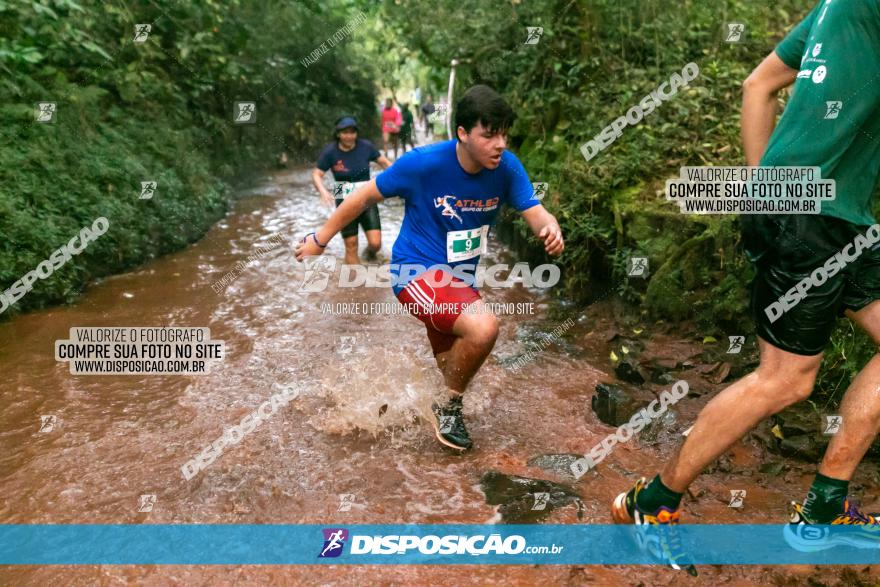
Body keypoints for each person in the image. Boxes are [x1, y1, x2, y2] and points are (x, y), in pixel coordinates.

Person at [612, 0, 880, 544]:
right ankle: (653, 502)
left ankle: (826, 507)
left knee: (788, 377)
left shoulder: (834, 9)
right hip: (812, 216)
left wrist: (763, 188)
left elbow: (757, 85)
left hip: (836, 216)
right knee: (785, 379)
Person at [296, 85, 564, 451]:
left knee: (453, 367)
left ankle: (415, 407)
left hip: (460, 281)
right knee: (484, 328)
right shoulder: (423, 164)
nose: (500, 144)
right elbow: (363, 196)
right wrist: (320, 239)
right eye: (489, 135)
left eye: (504, 134)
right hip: (415, 273)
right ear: (463, 133)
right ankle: (448, 406)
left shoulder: (507, 168)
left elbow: (534, 210)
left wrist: (550, 227)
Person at [312, 116, 392, 264]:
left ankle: (369, 255)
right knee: (351, 245)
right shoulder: (330, 152)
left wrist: (399, 181)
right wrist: (322, 190)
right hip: (343, 199)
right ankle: (354, 283)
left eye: (352, 132)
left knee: (375, 243)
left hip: (367, 197)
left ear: (356, 133)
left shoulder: (366, 147)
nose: (349, 136)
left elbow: (385, 163)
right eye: (345, 132)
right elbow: (317, 174)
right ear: (338, 134)